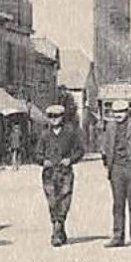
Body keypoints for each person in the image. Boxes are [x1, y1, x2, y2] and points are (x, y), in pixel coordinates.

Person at [100, 99, 131, 248]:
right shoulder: (110, 127)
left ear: (127, 112)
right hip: (116, 169)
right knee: (117, 204)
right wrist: (108, 164)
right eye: (115, 112)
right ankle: (117, 236)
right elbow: (105, 147)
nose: (118, 115)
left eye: (121, 112)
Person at [34, 102, 85, 247]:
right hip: (49, 174)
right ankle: (57, 229)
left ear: (62, 117)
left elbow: (80, 151)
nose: (54, 119)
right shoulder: (44, 135)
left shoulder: (70, 133)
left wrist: (70, 160)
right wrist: (43, 161)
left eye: (57, 116)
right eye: (51, 117)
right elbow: (37, 153)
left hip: (65, 172)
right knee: (52, 201)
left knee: (65, 200)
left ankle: (58, 228)